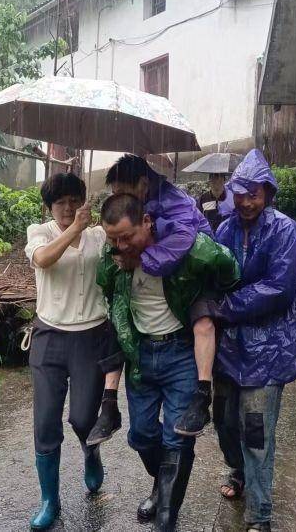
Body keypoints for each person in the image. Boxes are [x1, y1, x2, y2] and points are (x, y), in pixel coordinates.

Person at [96, 193, 239, 531]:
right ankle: (161, 487)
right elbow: (113, 312)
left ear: (147, 222)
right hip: (141, 356)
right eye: (113, 239)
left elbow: (227, 267)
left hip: (179, 354)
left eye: (127, 237)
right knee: (142, 436)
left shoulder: (179, 250)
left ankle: (166, 519)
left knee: (178, 438)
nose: (121, 245)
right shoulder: (117, 260)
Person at [207, 149, 296, 532]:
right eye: (241, 193)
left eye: (255, 194)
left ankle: (260, 515)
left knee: (256, 431)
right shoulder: (225, 229)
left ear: (268, 193)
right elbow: (214, 272)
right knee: (223, 422)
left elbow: (279, 288)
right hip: (229, 348)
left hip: (268, 348)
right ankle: (237, 472)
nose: (247, 201)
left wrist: (227, 305)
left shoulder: (285, 231)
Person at [87, 154, 218, 445]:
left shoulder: (177, 205)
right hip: (161, 275)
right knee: (117, 316)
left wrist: (139, 260)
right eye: (113, 194)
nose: (117, 199)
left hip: (194, 275)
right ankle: (109, 404)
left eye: (121, 192)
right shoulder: (142, 204)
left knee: (203, 321)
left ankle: (202, 394)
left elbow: (178, 246)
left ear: (143, 184)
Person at [22, 173, 123, 531]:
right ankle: (50, 500)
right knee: (46, 422)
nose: (67, 207)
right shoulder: (40, 232)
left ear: (84, 201)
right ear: (50, 206)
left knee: (83, 418)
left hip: (91, 336)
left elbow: (121, 261)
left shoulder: (99, 236)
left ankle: (91, 452)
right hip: (50, 336)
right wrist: (72, 229)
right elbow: (44, 260)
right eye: (60, 201)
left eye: (74, 200)